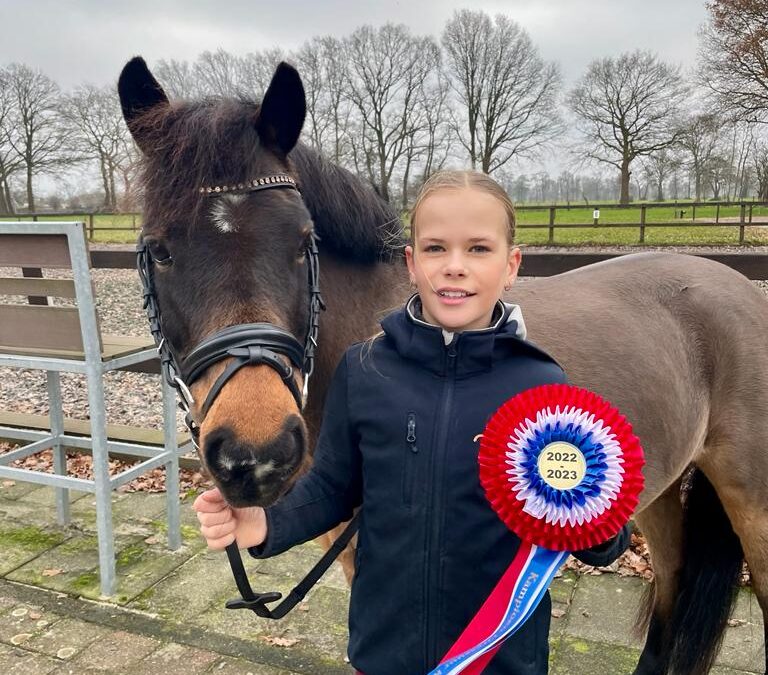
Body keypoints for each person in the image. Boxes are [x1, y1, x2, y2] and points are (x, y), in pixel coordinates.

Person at [194, 170, 631, 675]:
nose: (455, 267)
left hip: (499, 656)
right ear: (411, 263)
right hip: (384, 653)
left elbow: (578, 506)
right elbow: (333, 486)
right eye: (436, 248)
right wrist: (264, 522)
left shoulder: (540, 381)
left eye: (479, 249)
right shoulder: (364, 370)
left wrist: (597, 524)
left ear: (511, 265)